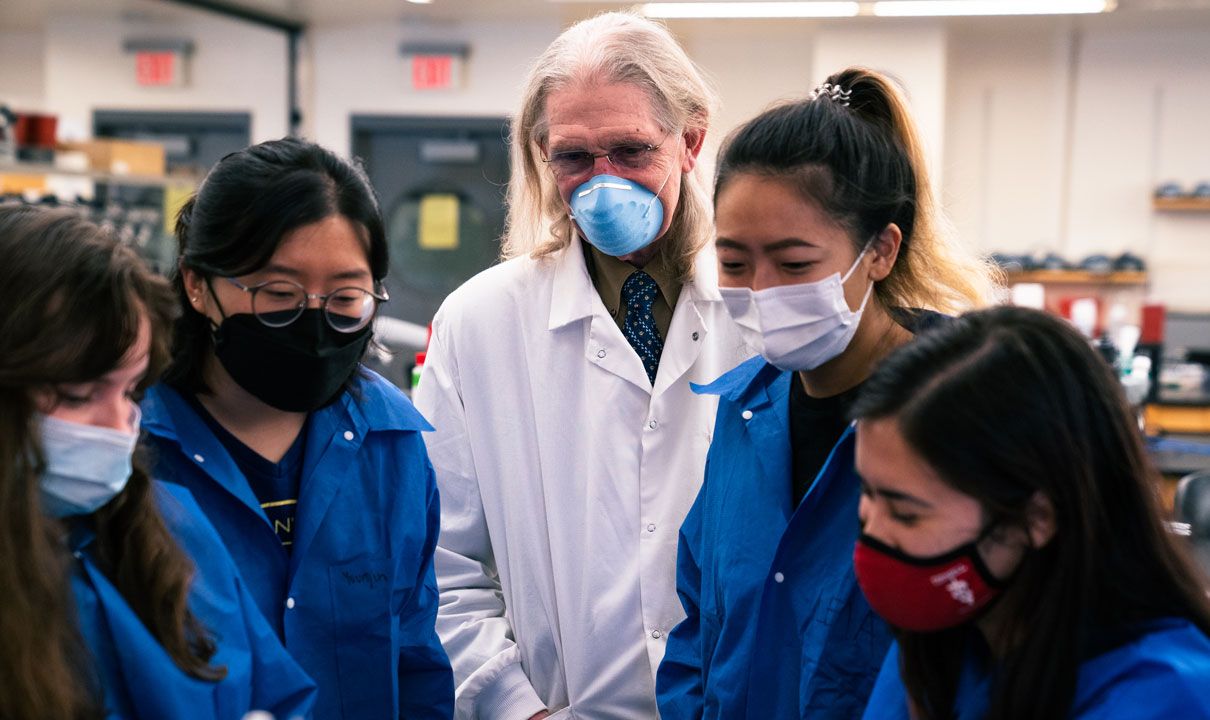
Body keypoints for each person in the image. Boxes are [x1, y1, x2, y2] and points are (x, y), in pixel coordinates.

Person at [412, 11, 748, 719]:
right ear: (541, 155)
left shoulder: (756, 311)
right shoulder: (481, 321)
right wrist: (514, 707)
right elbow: (440, 560)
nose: (603, 182)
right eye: (573, 158)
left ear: (690, 141)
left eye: (630, 151)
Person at [656, 68, 1000, 719]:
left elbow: (1006, 648)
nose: (759, 290)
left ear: (880, 251)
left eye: (793, 264)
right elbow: (701, 624)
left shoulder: (964, 411)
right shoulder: (743, 411)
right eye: (733, 262)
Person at [139, 138, 453, 719]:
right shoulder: (131, 444)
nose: (312, 322)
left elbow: (414, 659)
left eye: (347, 297)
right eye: (278, 294)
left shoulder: (391, 443)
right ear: (195, 284)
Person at [853, 306, 1210, 720]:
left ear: (1037, 516)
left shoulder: (1169, 700)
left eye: (906, 514)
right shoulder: (946, 627)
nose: (871, 532)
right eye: (867, 494)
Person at [0, 205, 316, 720]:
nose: (119, 425)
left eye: (131, 391)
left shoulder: (175, 529)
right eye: (77, 394)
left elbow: (277, 693)